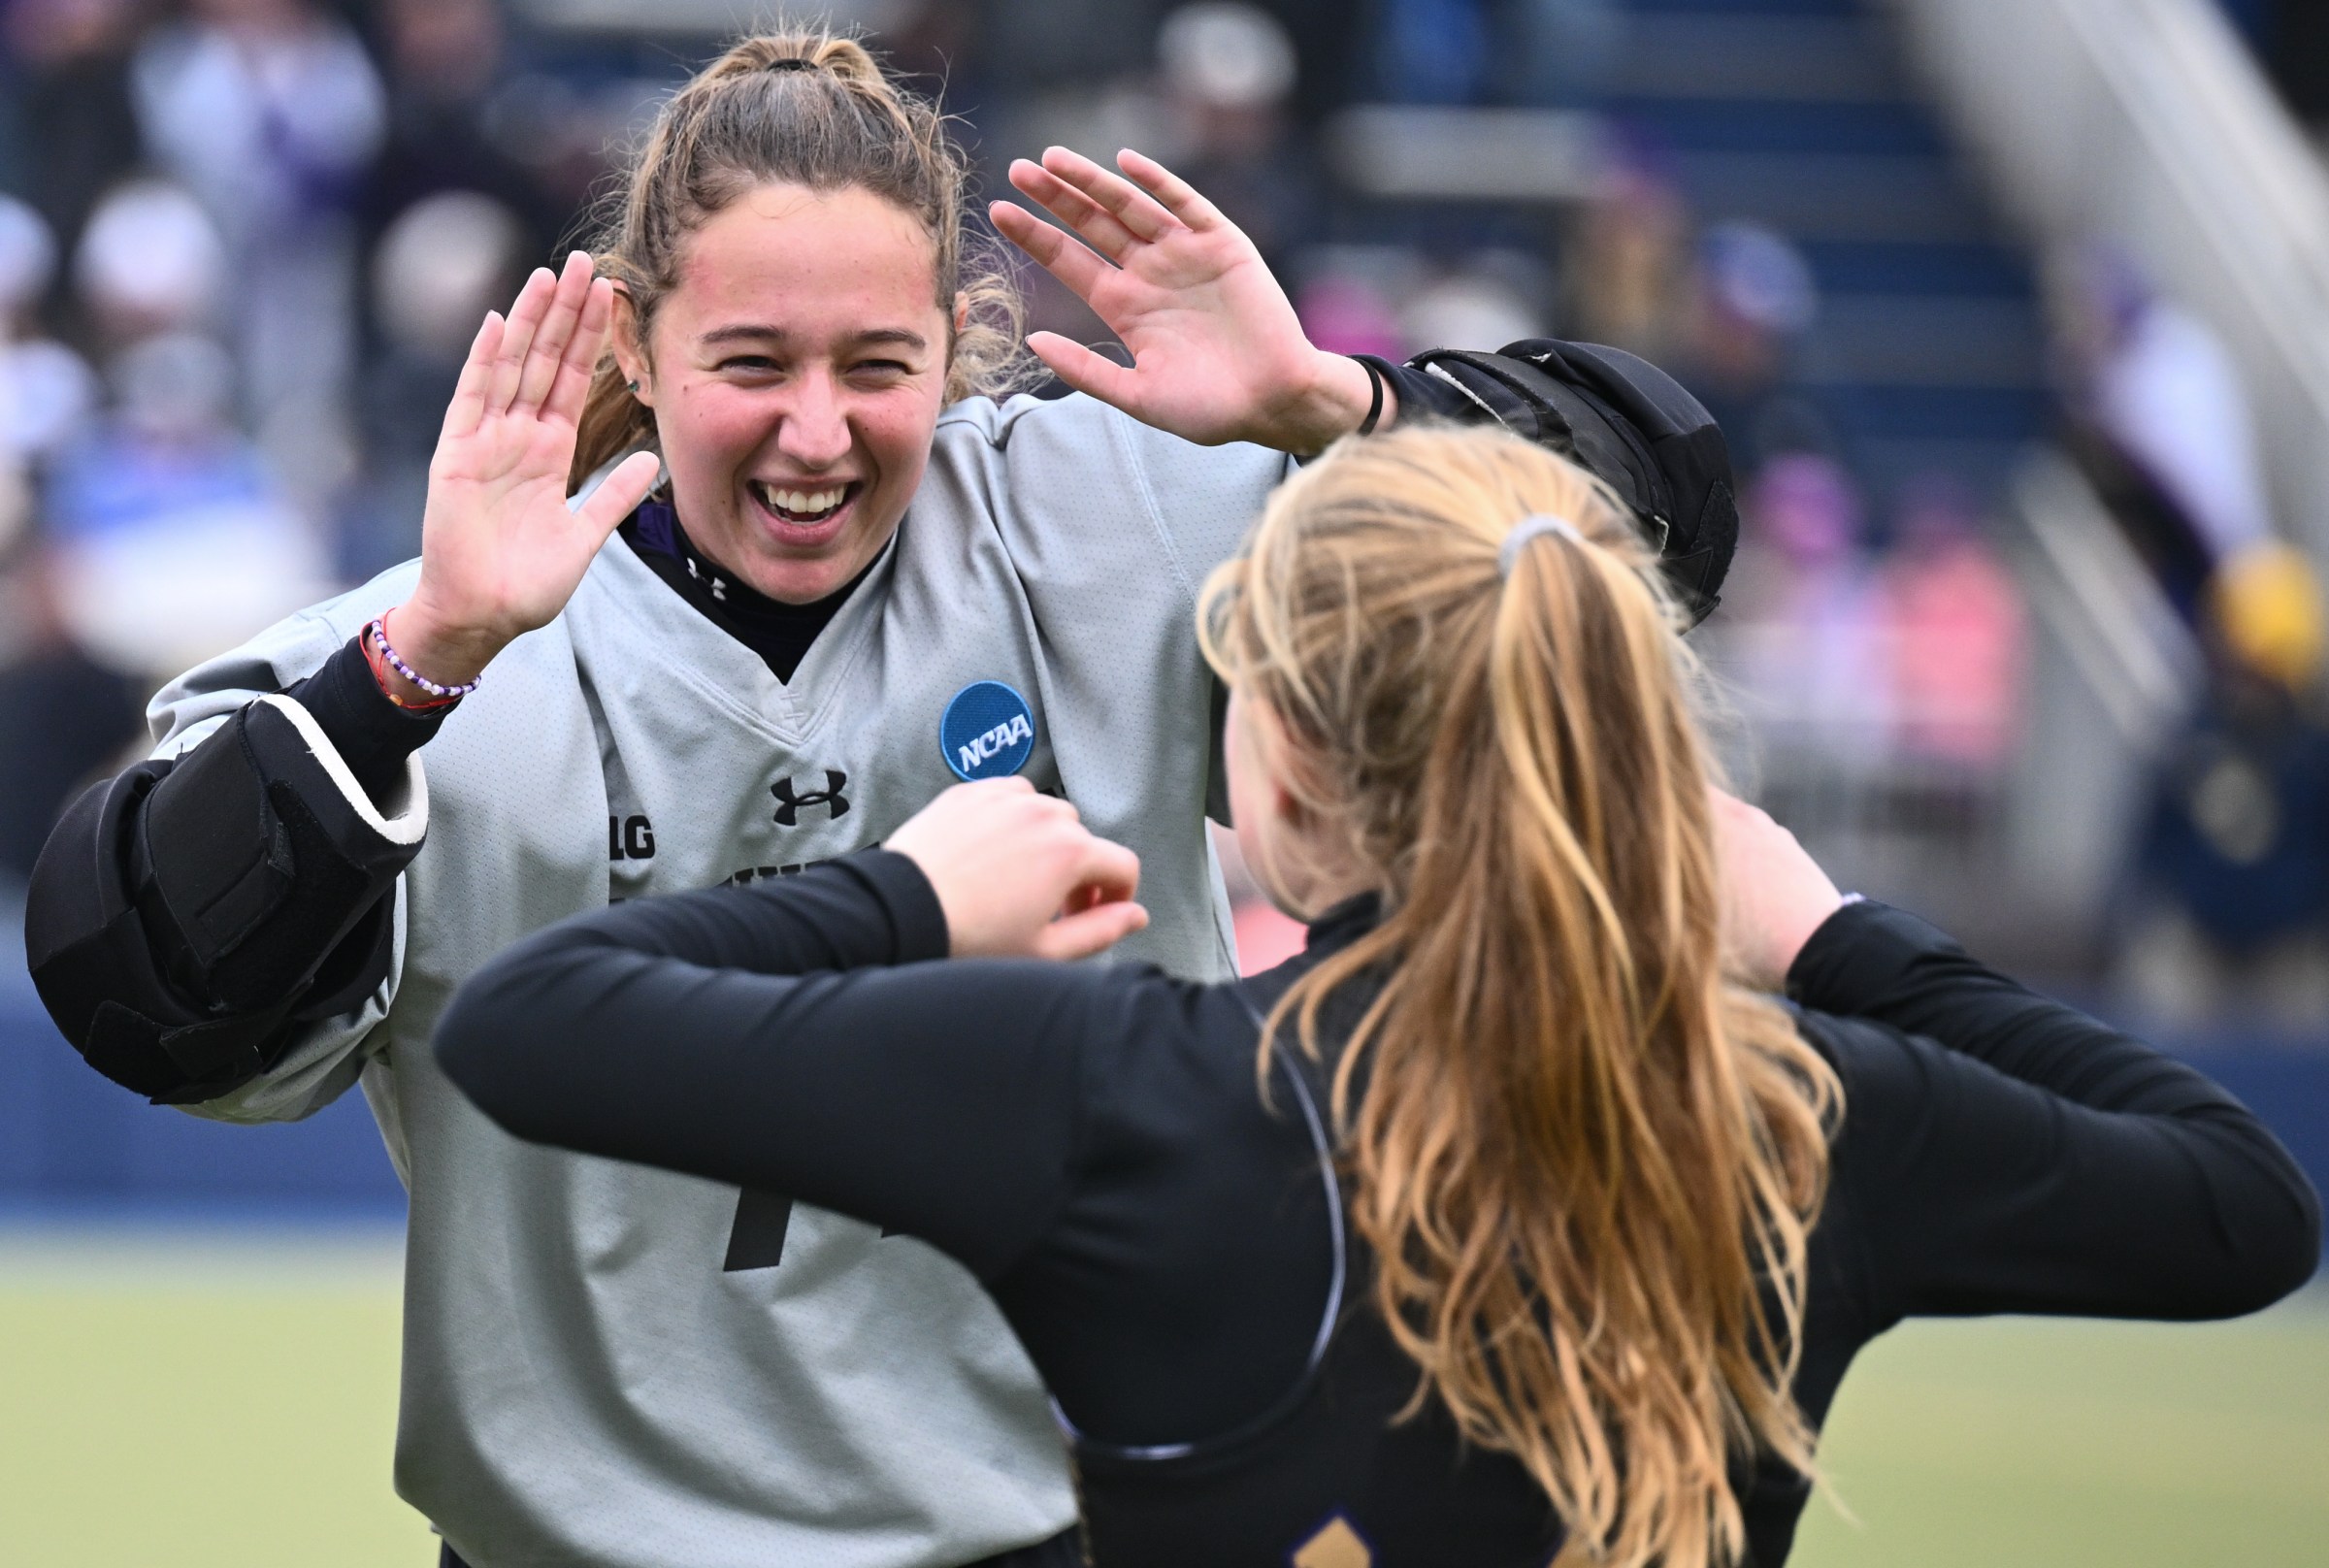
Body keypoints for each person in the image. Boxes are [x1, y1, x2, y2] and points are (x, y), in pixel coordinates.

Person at [20, 27, 1738, 1568]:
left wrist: (1334, 408)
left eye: (878, 365)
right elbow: (137, 996)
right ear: (634, 330)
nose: (817, 435)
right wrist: (416, 661)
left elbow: (1640, 543)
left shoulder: (1111, 517)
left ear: (959, 341)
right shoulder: (444, 637)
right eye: (753, 362)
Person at [437, 425, 2319, 1568]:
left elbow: (531, 1024)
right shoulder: (1798, 1112)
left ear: (1296, 760)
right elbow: (2242, 1204)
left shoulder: (1115, 1082)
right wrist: (1832, 937)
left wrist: (909, 892)